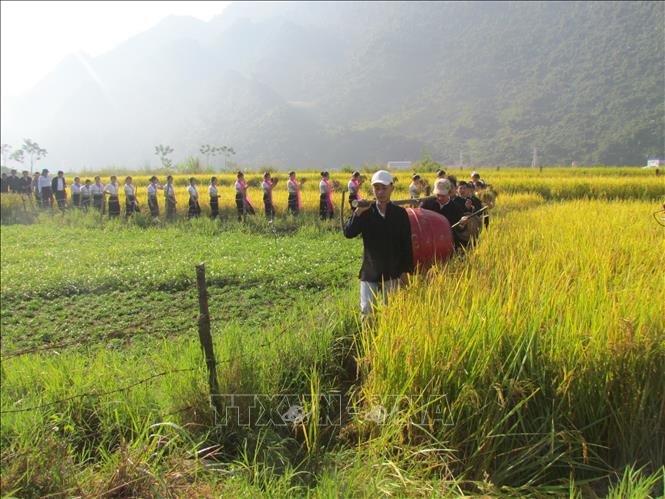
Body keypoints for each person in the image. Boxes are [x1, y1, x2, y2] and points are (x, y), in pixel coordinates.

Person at [343, 170, 413, 318]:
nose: (380, 192)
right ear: (372, 189)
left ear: (392, 188)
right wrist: (357, 213)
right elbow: (349, 233)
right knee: (367, 312)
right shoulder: (366, 211)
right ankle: (369, 340)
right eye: (377, 188)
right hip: (370, 271)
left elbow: (406, 244)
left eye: (384, 188)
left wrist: (405, 271)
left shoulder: (400, 214)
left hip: (392, 271)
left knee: (392, 313)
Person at [421, 179, 469, 248]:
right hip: (429, 241)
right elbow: (420, 217)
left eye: (443, 195)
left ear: (449, 193)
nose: (440, 198)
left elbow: (460, 228)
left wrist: (462, 224)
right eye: (438, 195)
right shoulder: (427, 203)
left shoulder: (456, 208)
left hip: (447, 242)